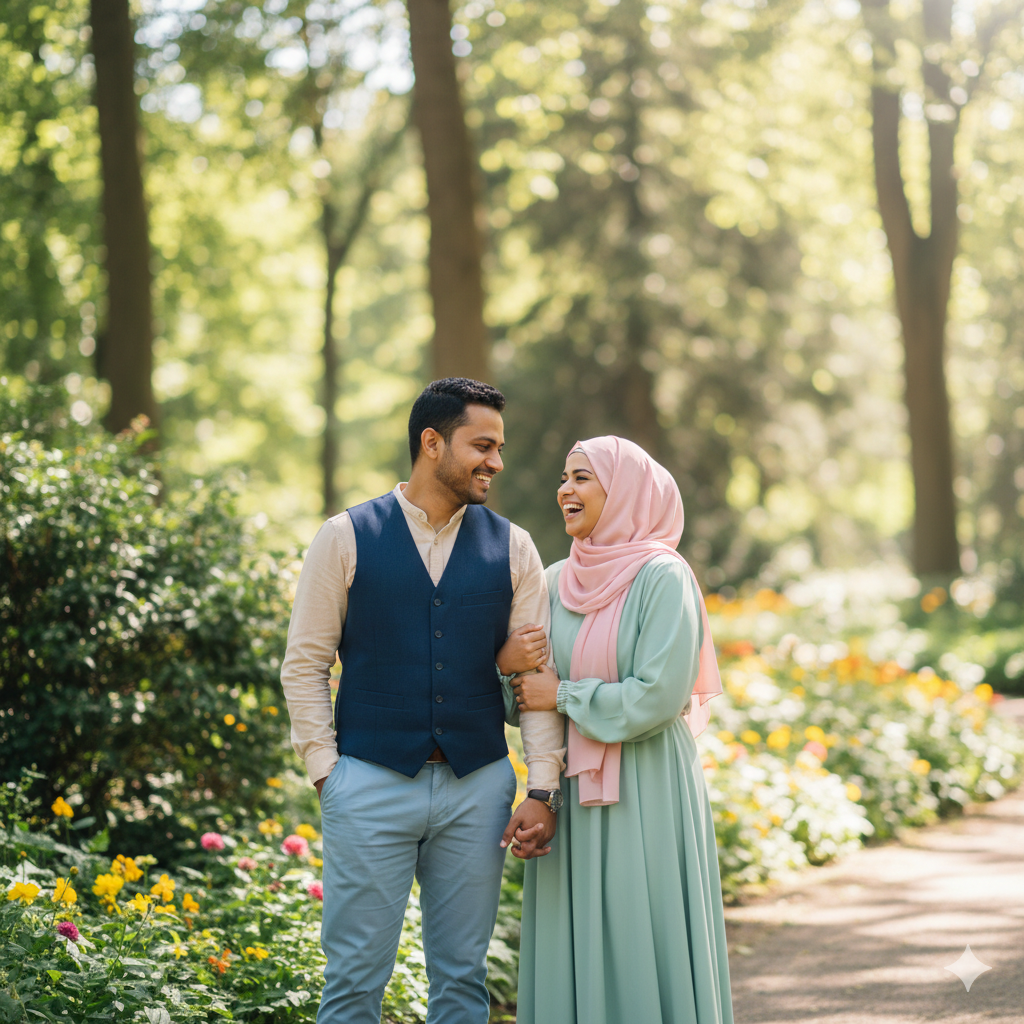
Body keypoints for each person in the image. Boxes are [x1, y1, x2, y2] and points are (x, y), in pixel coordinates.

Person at [280, 378, 566, 1024]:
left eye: (499, 447)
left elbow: (535, 684)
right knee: (353, 982)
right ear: (431, 443)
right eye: (482, 445)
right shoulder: (344, 536)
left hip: (478, 787)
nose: (495, 461)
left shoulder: (514, 546)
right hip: (369, 781)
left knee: (463, 983)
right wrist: (328, 773)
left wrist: (542, 789)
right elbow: (304, 666)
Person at [512, 435, 734, 1024]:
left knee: (645, 926)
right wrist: (513, 675)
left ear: (627, 490)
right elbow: (528, 692)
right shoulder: (554, 580)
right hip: (573, 800)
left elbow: (658, 695)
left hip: (647, 786)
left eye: (582, 477)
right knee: (575, 928)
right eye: (564, 477)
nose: (565, 489)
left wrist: (561, 694)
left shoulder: (664, 577)